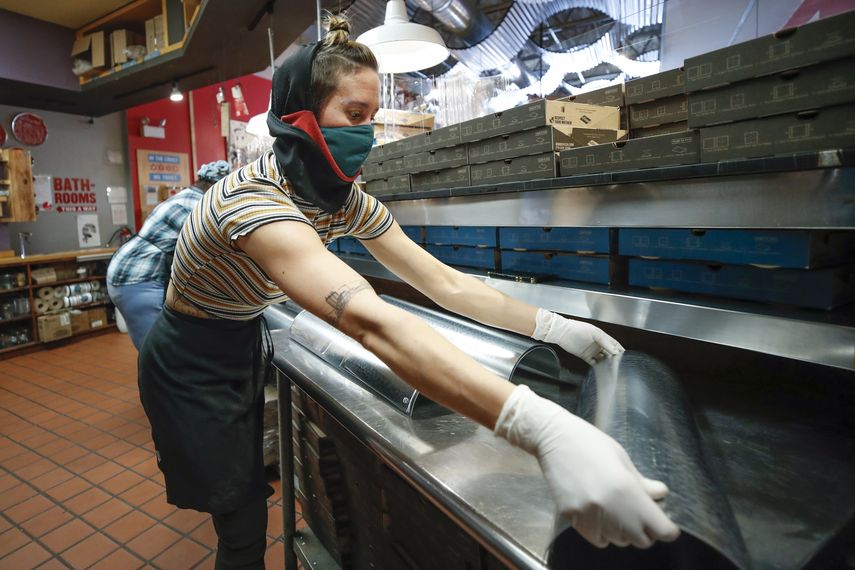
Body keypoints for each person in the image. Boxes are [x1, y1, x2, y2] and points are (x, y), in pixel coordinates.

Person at [138, 14, 680, 569]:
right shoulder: (253, 205)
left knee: (247, 489)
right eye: (353, 115)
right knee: (242, 520)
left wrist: (554, 328)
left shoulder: (340, 199)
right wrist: (539, 427)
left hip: (243, 340)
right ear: (300, 118)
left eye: (372, 116)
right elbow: (368, 320)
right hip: (189, 357)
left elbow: (442, 282)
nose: (367, 134)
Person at [106, 161, 231, 349]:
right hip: (138, 278)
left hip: (127, 271)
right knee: (157, 352)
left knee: (160, 351)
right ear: (219, 186)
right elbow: (219, 247)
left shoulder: (187, 196)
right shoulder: (197, 205)